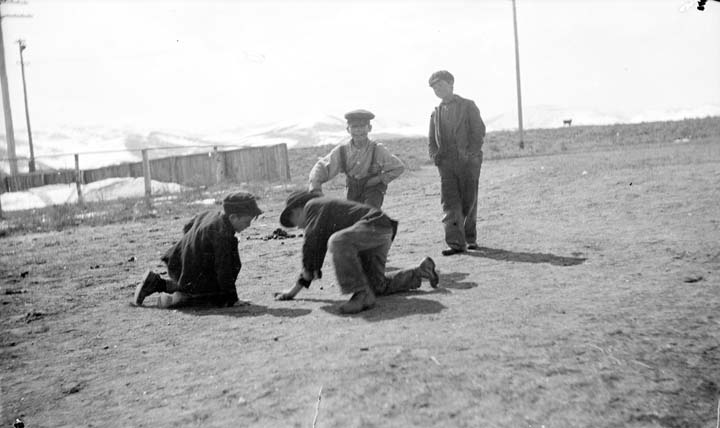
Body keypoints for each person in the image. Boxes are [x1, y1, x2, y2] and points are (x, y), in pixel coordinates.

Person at [273, 190, 439, 314]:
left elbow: (312, 241)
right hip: (381, 231)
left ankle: (361, 295)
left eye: (295, 221)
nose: (299, 227)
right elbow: (316, 248)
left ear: (298, 208)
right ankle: (419, 272)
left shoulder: (312, 206)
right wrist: (294, 290)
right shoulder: (322, 213)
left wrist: (306, 274)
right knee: (376, 286)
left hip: (373, 226)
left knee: (337, 241)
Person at [133, 192, 262, 308]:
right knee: (216, 298)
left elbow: (187, 227)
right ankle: (175, 299)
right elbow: (224, 269)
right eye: (247, 221)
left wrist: (193, 251)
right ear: (233, 217)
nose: (248, 225)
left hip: (178, 263)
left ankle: (156, 283)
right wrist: (233, 299)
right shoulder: (222, 234)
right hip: (189, 272)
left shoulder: (212, 215)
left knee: (202, 283)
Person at [427, 70, 486, 256]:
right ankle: (455, 243)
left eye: (441, 86)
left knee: (469, 199)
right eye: (435, 88)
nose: (438, 90)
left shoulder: (468, 106)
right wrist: (435, 156)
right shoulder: (435, 114)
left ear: (451, 84)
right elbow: (431, 140)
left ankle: (470, 239)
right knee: (450, 202)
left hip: (468, 162)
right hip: (446, 164)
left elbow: (479, 131)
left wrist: (471, 153)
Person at [308, 109, 405, 208]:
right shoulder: (342, 151)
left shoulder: (377, 149)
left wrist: (379, 178)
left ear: (369, 128)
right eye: (354, 126)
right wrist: (315, 189)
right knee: (350, 216)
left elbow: (399, 167)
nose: (358, 130)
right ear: (348, 129)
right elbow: (322, 167)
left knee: (369, 214)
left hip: (373, 189)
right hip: (352, 189)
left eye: (362, 126)